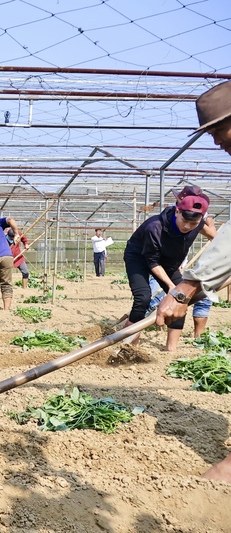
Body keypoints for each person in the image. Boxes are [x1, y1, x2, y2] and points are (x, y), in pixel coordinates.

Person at [156, 79, 231, 483]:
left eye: (219, 129)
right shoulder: (156, 228)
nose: (216, 141)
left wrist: (185, 288)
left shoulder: (199, 224)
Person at [123, 186, 215, 338]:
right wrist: (172, 287)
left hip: (166, 260)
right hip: (139, 258)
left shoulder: (197, 222)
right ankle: (129, 341)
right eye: (184, 221)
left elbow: (215, 237)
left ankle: (171, 349)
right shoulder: (155, 227)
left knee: (181, 298)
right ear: (177, 211)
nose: (187, 226)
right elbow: (152, 262)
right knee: (143, 298)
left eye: (193, 223)